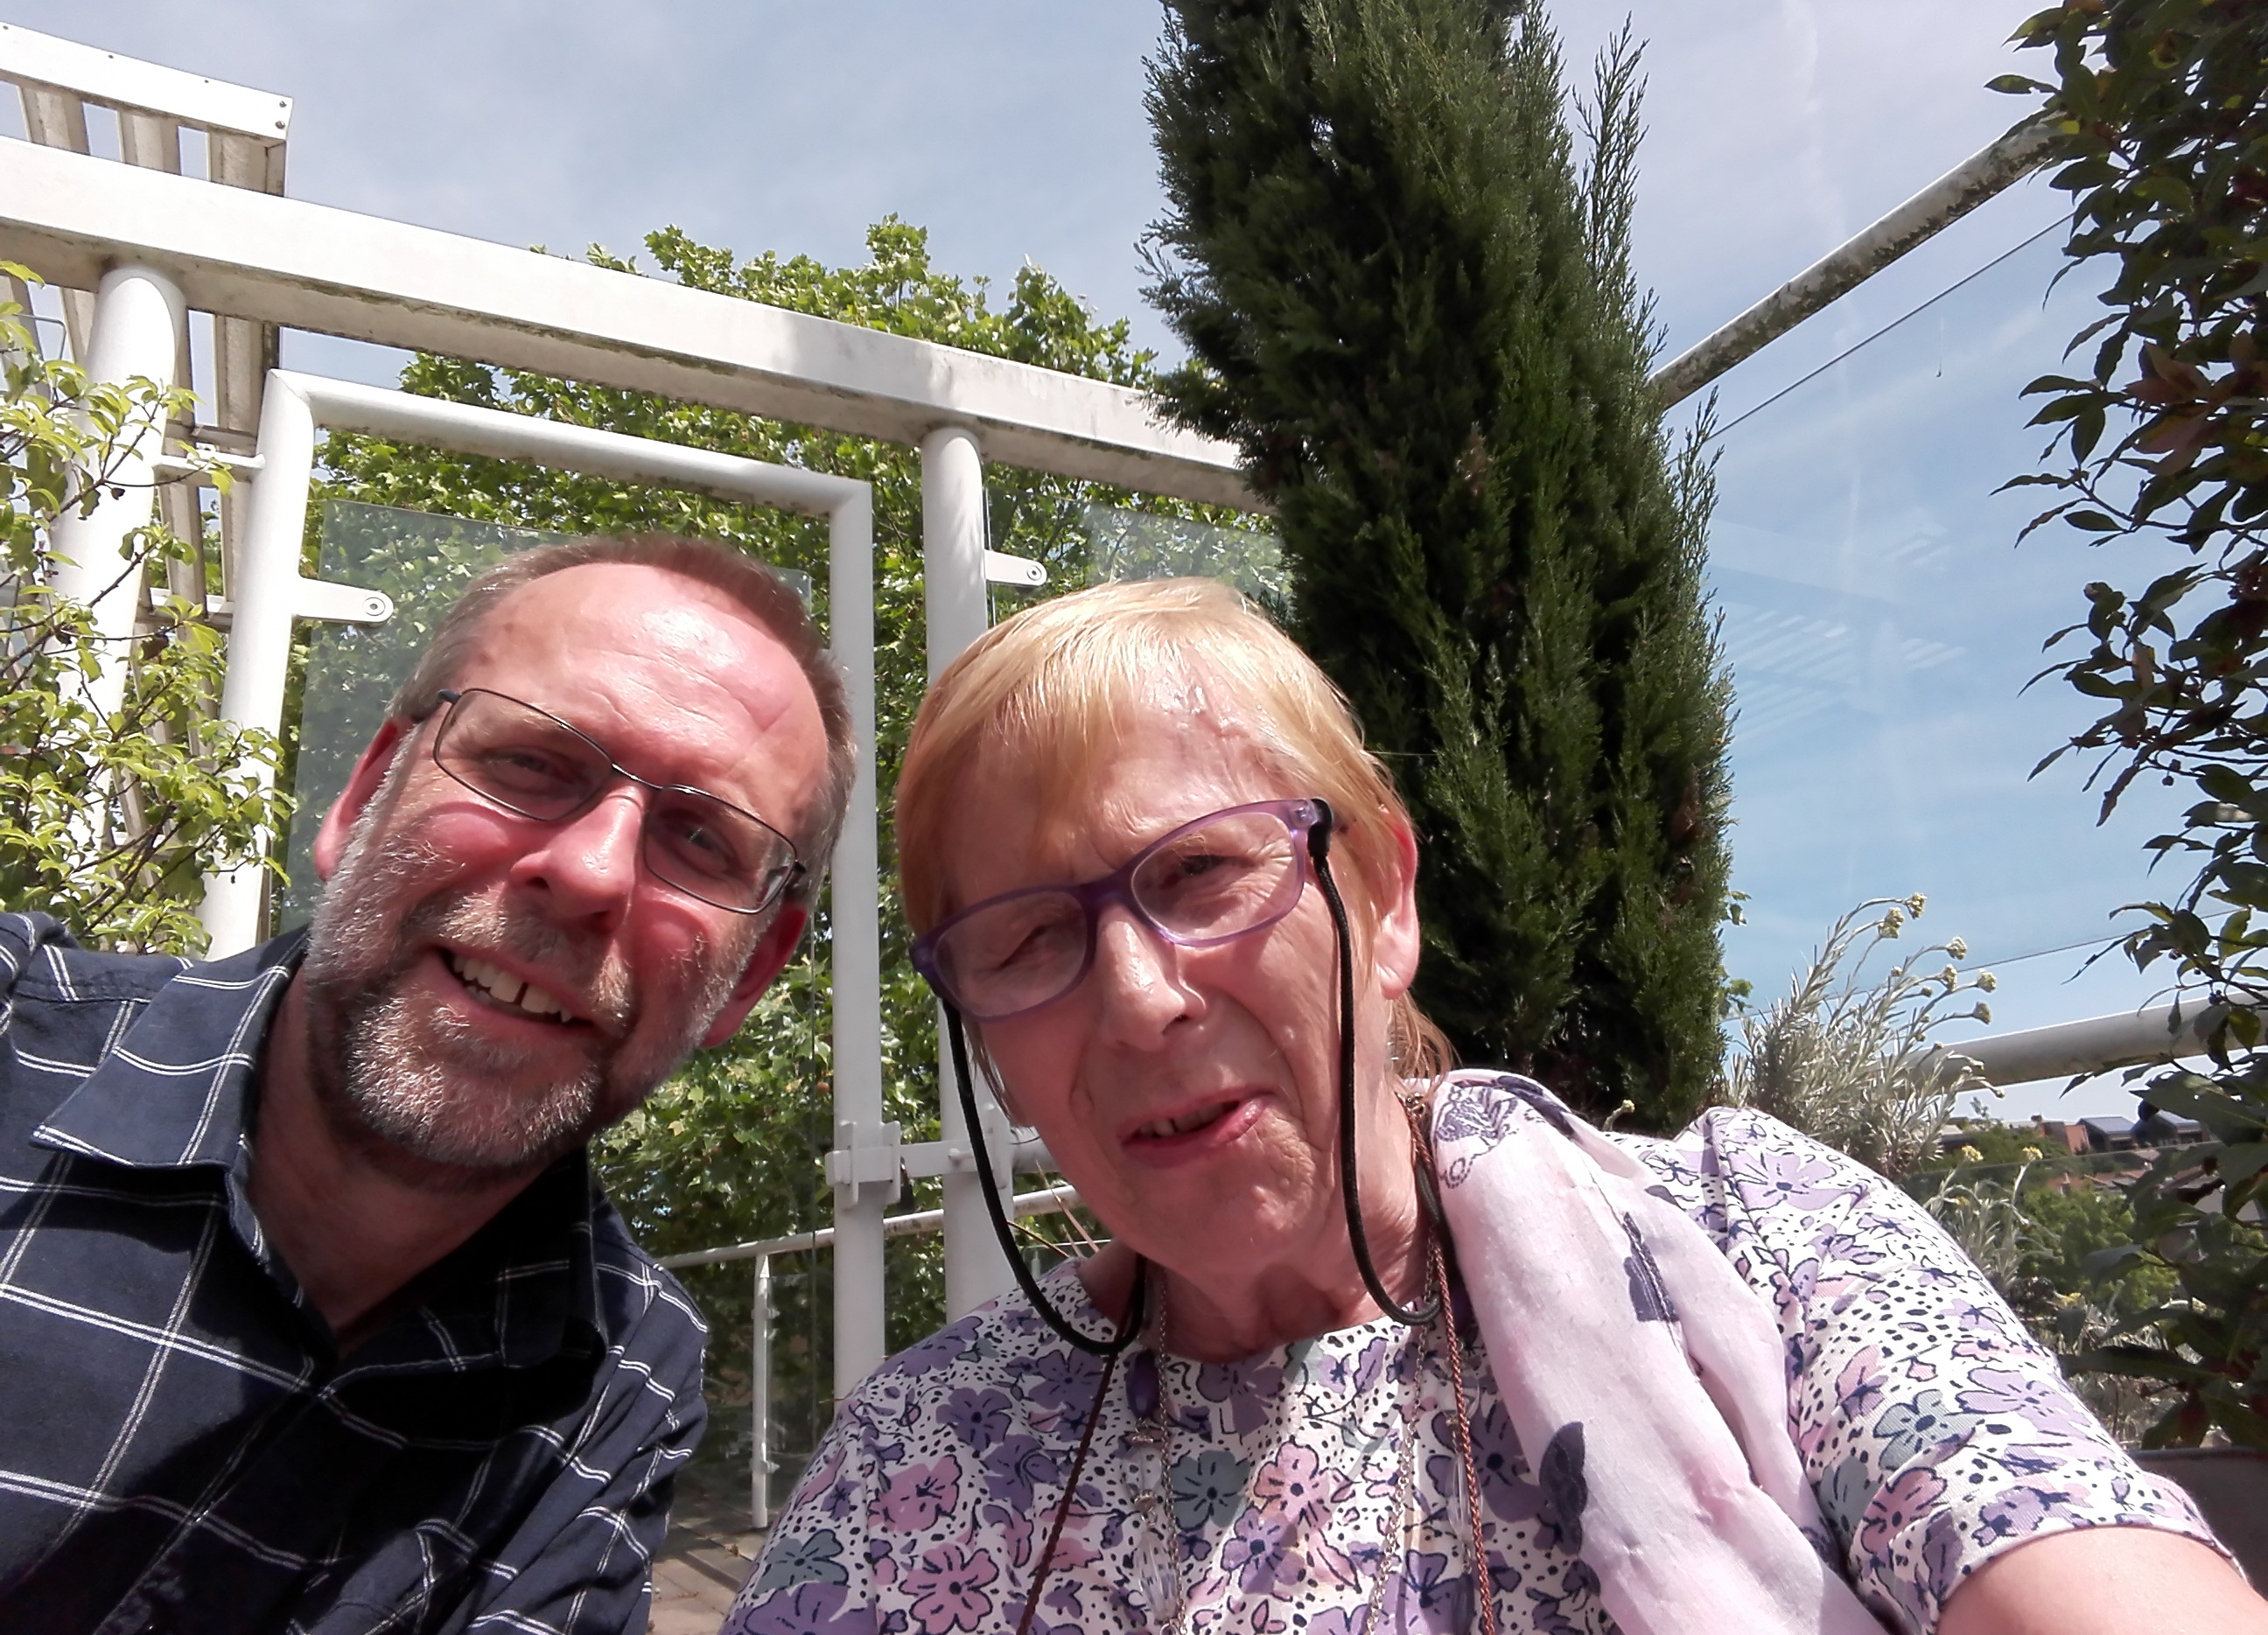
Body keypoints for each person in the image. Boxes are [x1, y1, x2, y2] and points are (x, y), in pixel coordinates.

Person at [726, 577, 2265, 1635]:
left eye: (1199, 872)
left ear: (1382, 897)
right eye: (1025, 941)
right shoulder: (942, 1439)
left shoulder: (1748, 1233)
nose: (1137, 995)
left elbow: (2062, 1557)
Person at [0, 535, 854, 1634]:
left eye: (699, 838)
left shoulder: (622, 1374)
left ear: (749, 980)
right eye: (531, 763)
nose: (591, 872)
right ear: (362, 795)